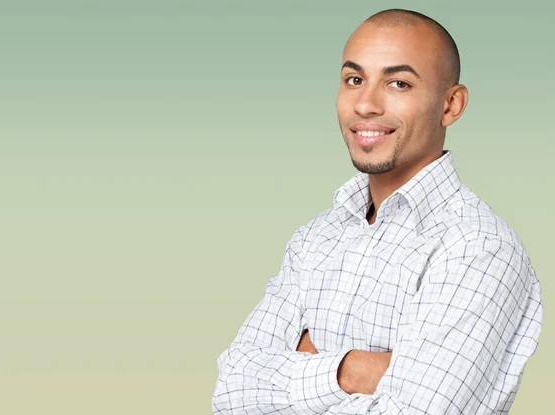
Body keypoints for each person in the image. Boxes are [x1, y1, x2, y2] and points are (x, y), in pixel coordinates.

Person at [211, 8, 542, 414]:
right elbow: (231, 391)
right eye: (354, 80)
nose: (365, 104)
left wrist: (304, 361)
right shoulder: (316, 239)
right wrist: (350, 371)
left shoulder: (479, 248)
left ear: (451, 105)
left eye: (398, 83)